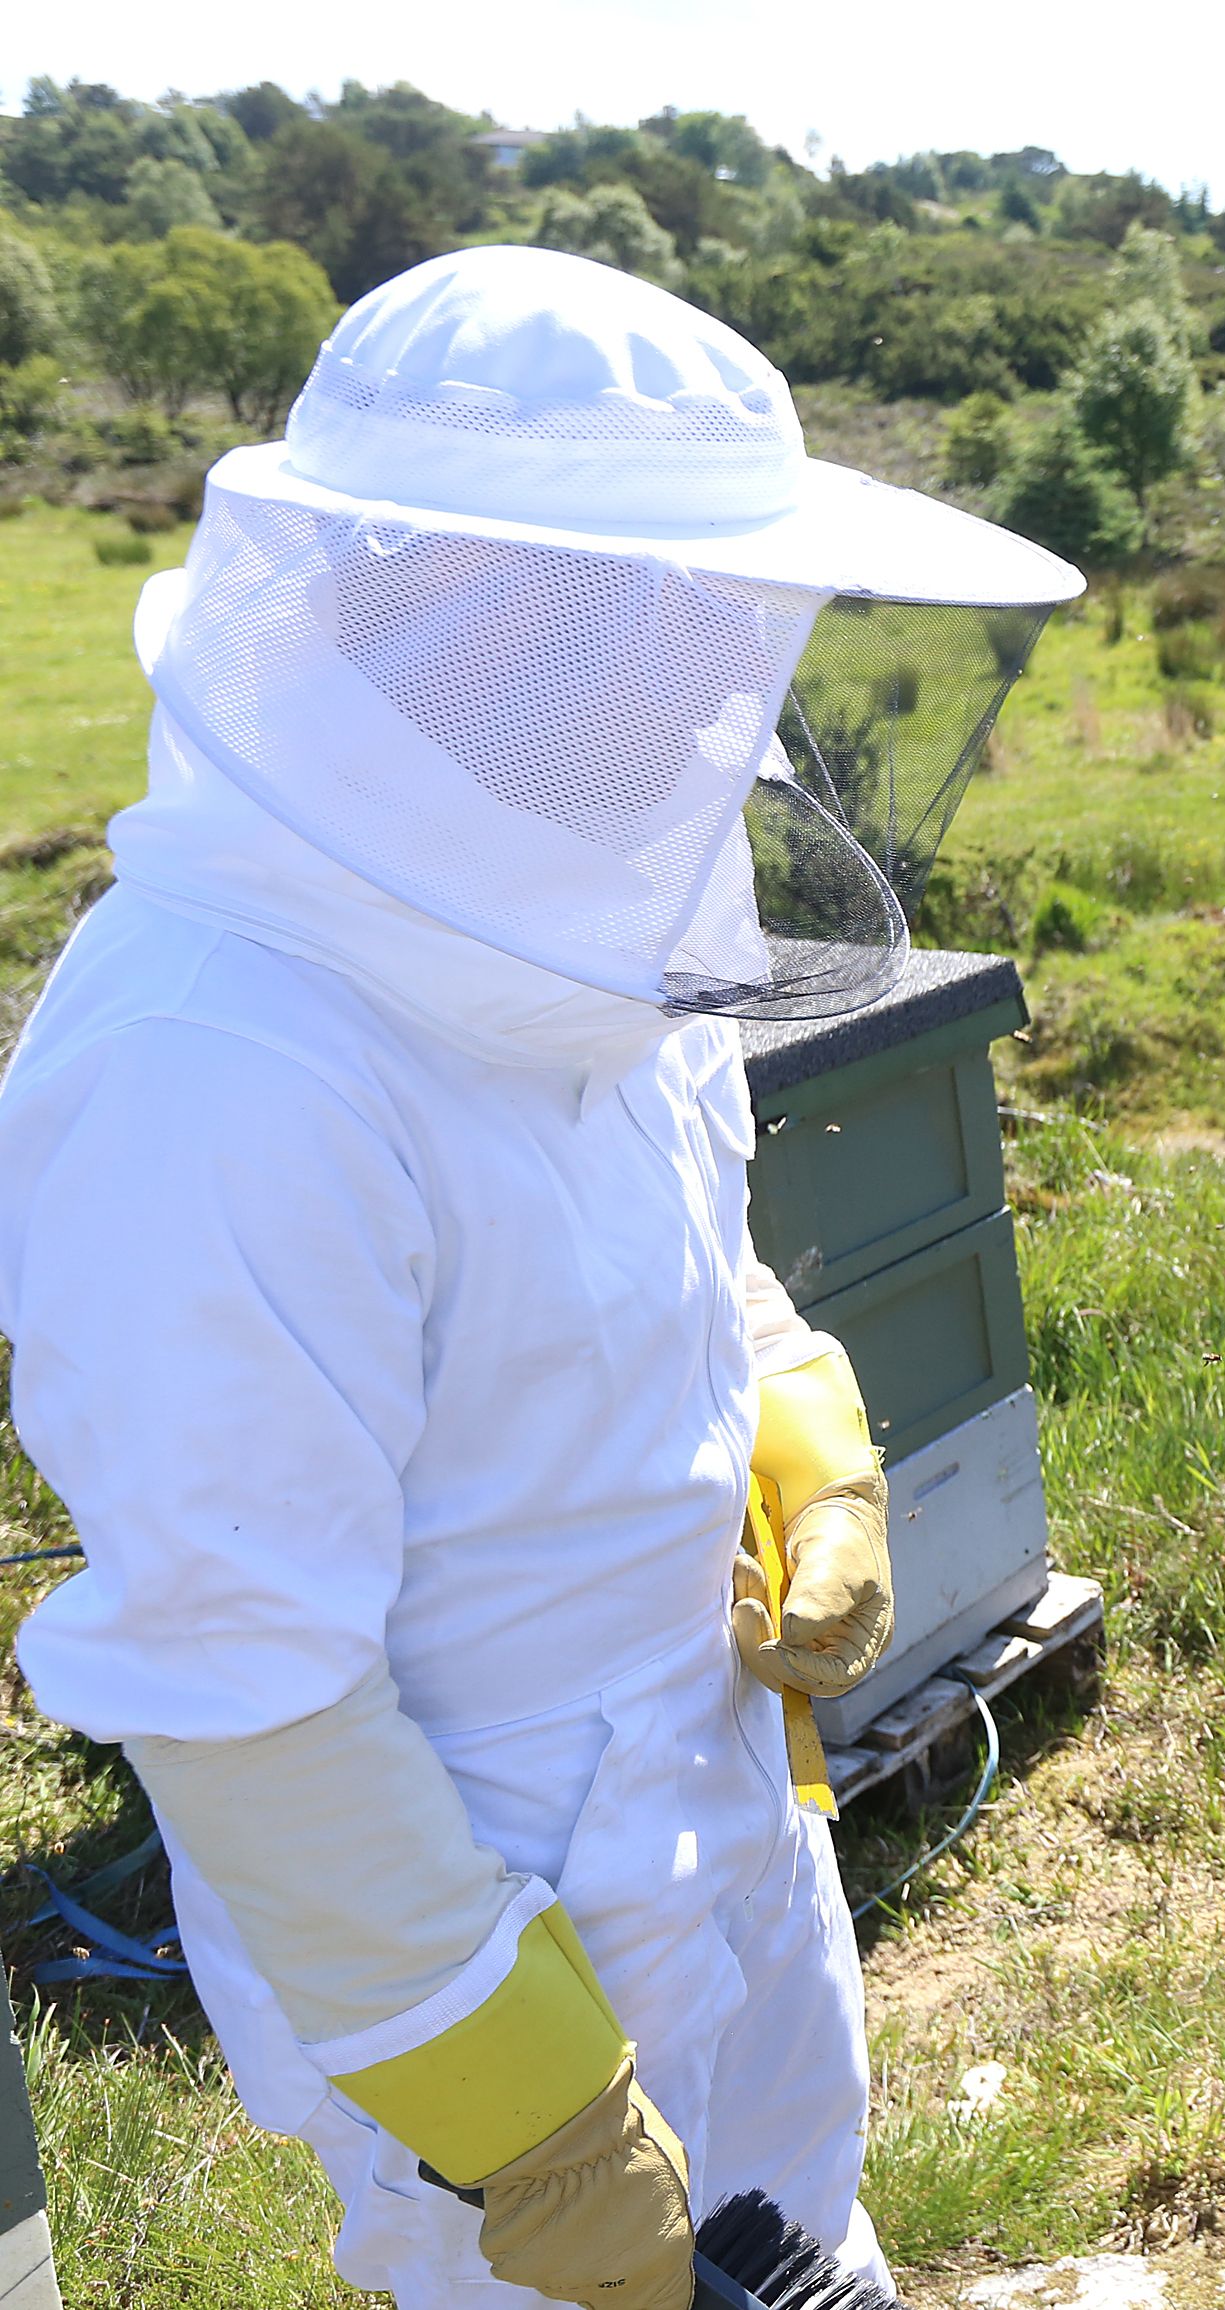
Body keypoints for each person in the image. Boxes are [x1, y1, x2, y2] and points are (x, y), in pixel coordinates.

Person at [0, 247, 1078, 2305]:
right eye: (665, 611)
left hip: (721, 1816)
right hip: (483, 1975)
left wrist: (810, 1437)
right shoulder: (211, 1064)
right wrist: (530, 2115)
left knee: (816, 2234)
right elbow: (240, 1686)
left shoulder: (595, 894)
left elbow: (690, 1260)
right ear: (450, 603)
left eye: (731, 613)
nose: (717, 680)